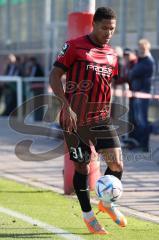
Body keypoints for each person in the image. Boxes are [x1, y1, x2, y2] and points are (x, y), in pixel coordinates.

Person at [49, 7, 127, 234]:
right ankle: (88, 215)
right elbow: (55, 75)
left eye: (112, 29)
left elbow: (106, 86)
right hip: (74, 119)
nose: (108, 33)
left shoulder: (112, 55)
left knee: (117, 164)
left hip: (101, 119)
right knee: (81, 167)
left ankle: (107, 202)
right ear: (93, 25)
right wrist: (65, 105)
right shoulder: (74, 46)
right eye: (104, 28)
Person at [128, 39, 155, 151]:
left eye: (141, 48)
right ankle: (140, 144)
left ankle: (143, 145)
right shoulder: (142, 60)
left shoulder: (147, 61)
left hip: (142, 94)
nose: (139, 50)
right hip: (138, 93)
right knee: (138, 120)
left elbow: (133, 73)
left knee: (142, 121)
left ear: (146, 48)